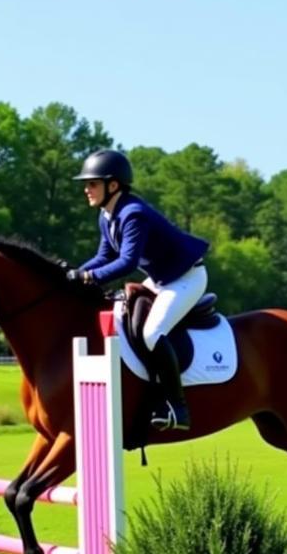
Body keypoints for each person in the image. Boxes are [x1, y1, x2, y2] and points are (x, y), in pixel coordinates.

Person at [68, 149, 208, 431]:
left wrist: (88, 277)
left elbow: (126, 262)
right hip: (160, 279)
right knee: (124, 318)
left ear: (113, 185)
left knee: (152, 332)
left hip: (186, 278)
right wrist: (73, 274)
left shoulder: (133, 214)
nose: (86, 189)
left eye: (92, 183)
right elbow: (104, 257)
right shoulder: (107, 216)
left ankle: (177, 407)